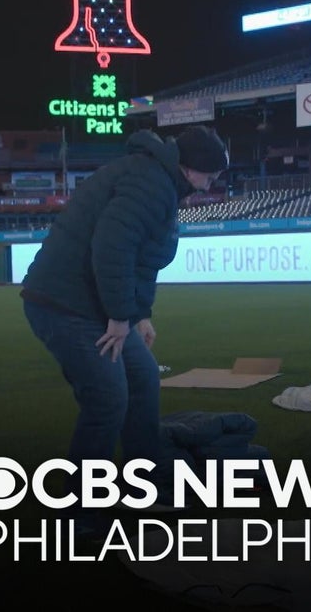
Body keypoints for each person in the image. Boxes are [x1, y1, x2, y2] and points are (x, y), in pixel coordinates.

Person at [20, 125, 228, 525]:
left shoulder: (161, 183)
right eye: (210, 176)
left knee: (144, 376)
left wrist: (139, 315)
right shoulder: (150, 182)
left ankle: (144, 484)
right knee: (108, 399)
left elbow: (143, 260)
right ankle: (81, 514)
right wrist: (120, 316)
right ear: (191, 167)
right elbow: (112, 248)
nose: (210, 185)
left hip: (91, 303)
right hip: (64, 303)